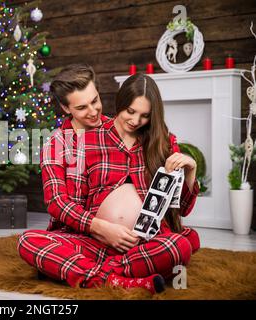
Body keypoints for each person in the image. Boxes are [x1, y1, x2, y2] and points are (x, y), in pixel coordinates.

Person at [18, 73, 200, 294]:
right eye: (130, 112)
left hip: (141, 242)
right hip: (94, 241)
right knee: (28, 240)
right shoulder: (85, 139)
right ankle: (120, 279)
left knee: (179, 246)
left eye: (95, 101)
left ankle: (90, 273)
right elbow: (57, 202)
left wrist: (191, 170)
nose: (94, 111)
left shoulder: (162, 141)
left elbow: (181, 209)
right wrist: (102, 229)